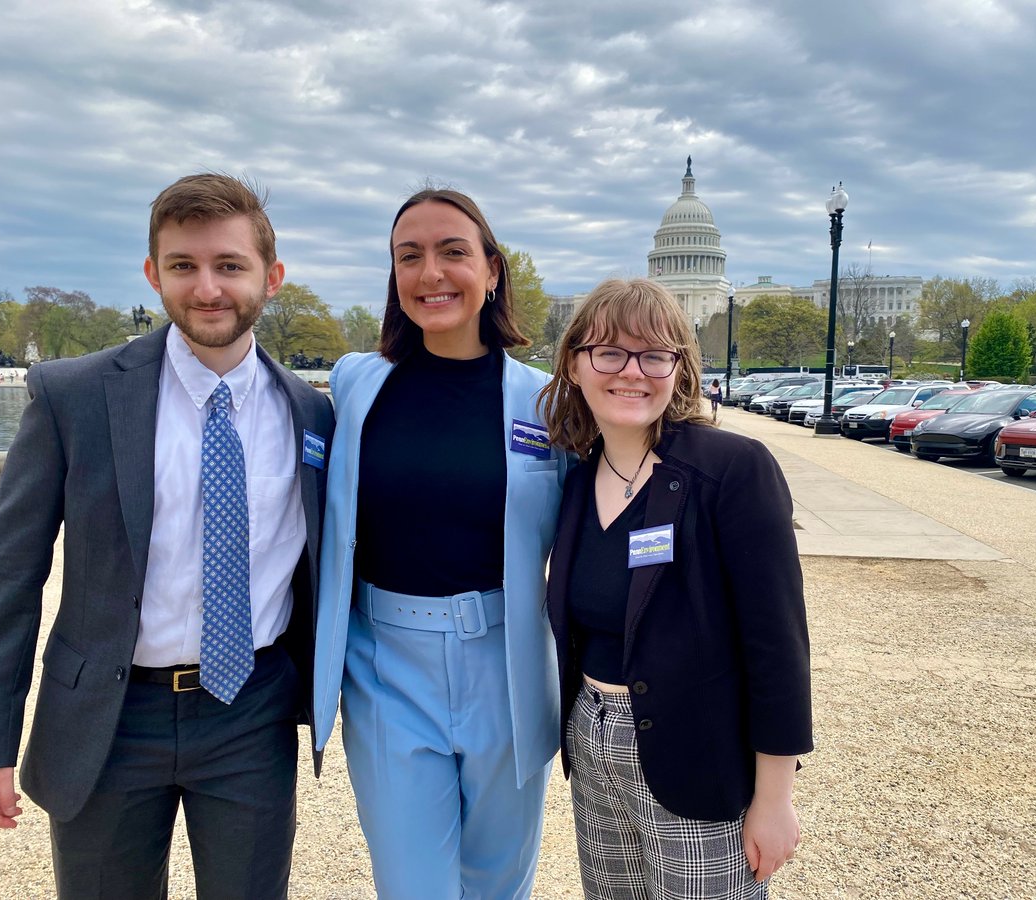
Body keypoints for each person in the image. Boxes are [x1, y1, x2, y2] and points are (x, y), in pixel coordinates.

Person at [0, 173, 335, 899]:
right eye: (183, 266)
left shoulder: (313, 416)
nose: (207, 288)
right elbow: (6, 576)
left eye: (230, 265)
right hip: (109, 717)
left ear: (273, 278)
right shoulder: (73, 396)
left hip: (250, 714)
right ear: (152, 273)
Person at [311, 188, 569, 899]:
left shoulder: (547, 403)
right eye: (409, 256)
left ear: (492, 269)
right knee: (413, 886)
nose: (432, 273)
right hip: (385, 668)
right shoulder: (356, 382)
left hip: (508, 667)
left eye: (453, 251)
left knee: (497, 884)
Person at [537, 278, 812, 899]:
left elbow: (777, 645)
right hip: (594, 739)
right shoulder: (578, 483)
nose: (632, 373)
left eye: (655, 354)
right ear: (575, 363)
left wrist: (775, 799)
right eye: (609, 352)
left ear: (679, 367)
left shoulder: (733, 470)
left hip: (696, 752)